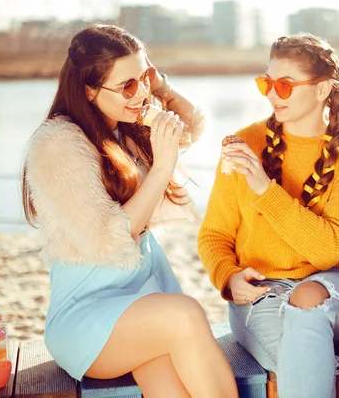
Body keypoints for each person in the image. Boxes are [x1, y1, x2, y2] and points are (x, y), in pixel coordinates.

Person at [21, 24, 238, 398]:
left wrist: (159, 84)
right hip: (88, 316)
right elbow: (110, 240)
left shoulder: (124, 123)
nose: (140, 94)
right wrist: (162, 167)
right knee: (185, 315)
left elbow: (189, 127)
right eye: (127, 86)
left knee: (169, 379)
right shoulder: (58, 145)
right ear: (89, 90)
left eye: (144, 78)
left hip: (143, 300)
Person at [197, 33, 339, 398]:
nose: (271, 95)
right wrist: (229, 277)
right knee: (304, 358)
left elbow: (328, 249)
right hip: (262, 294)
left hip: (336, 285)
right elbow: (214, 234)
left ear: (323, 88)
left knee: (307, 303)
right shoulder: (244, 142)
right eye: (266, 83)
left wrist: (266, 188)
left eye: (284, 85)